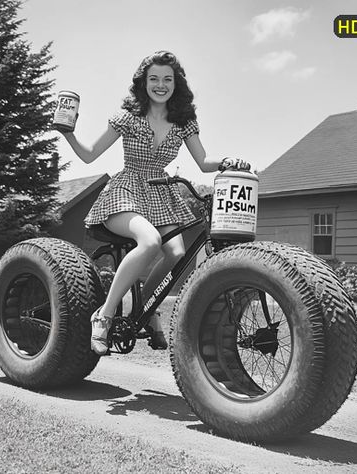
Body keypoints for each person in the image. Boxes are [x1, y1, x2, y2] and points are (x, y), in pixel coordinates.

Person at [57, 51, 248, 355]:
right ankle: (103, 316)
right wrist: (68, 133)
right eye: (154, 79)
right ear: (143, 83)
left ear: (176, 83)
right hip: (125, 191)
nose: (161, 85)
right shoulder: (127, 118)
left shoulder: (183, 122)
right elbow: (89, 154)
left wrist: (225, 160)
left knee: (177, 252)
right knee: (149, 242)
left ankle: (144, 310)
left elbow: (203, 162)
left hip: (160, 193)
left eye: (167, 79)